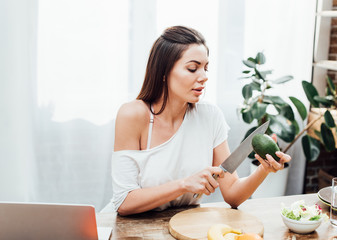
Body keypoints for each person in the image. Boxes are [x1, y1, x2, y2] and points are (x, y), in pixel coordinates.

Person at [110, 26, 291, 216]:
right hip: (136, 229)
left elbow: (232, 195)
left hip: (187, 226)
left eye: (205, 68)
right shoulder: (133, 115)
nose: (204, 77)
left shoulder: (210, 116)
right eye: (192, 68)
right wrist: (183, 184)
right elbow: (124, 202)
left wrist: (263, 169)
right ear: (163, 72)